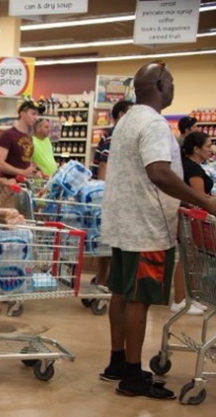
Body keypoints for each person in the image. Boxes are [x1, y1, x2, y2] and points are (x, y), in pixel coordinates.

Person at [100, 60, 216, 399]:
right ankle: (133, 377)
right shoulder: (152, 124)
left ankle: (117, 363)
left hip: (125, 223)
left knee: (121, 292)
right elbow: (159, 173)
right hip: (146, 227)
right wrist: (205, 202)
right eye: (173, 81)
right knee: (140, 299)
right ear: (162, 85)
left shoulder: (128, 120)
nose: (175, 87)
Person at [90, 99, 133, 291]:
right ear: (122, 115)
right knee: (107, 242)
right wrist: (104, 192)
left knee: (107, 242)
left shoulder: (113, 135)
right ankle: (102, 279)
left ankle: (103, 278)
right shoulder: (115, 135)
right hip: (109, 196)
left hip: (111, 195)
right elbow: (104, 166)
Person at [170, 131, 214, 314]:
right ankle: (179, 300)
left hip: (186, 216)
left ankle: (189, 299)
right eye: (208, 146)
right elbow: (199, 197)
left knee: (190, 257)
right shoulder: (194, 169)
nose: (211, 150)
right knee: (187, 258)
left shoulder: (184, 166)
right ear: (196, 149)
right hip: (191, 218)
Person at [0, 100, 41, 208]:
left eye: (37, 114)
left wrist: (33, 170)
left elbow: (24, 159)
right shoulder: (7, 135)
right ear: (22, 114)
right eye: (33, 114)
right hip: (10, 187)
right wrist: (22, 172)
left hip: (24, 188)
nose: (36, 118)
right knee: (9, 220)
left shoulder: (29, 136)